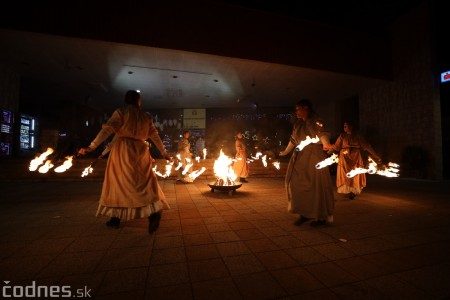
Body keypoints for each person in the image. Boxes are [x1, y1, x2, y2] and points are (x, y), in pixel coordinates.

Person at [77, 90, 171, 233]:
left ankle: (117, 218)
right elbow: (154, 136)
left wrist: (92, 146)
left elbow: (107, 130)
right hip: (141, 151)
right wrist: (164, 153)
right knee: (144, 182)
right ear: (138, 101)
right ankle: (151, 213)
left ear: (126, 101)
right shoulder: (146, 117)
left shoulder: (121, 112)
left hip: (123, 151)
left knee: (118, 183)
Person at [279, 99, 334, 227]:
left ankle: (319, 217)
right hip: (300, 157)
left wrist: (326, 143)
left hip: (313, 156)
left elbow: (322, 134)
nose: (296, 111)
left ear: (306, 108)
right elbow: (293, 140)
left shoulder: (315, 121)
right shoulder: (298, 124)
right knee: (295, 184)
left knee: (315, 186)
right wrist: (285, 152)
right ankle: (304, 213)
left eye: (298, 109)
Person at [325, 121, 382, 200]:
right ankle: (348, 190)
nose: (344, 128)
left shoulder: (357, 136)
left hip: (355, 157)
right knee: (345, 173)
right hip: (344, 157)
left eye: (346, 126)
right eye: (344, 126)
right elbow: (336, 146)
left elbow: (366, 146)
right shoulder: (342, 136)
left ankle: (353, 191)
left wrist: (375, 156)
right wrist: (327, 153)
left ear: (351, 127)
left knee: (355, 173)